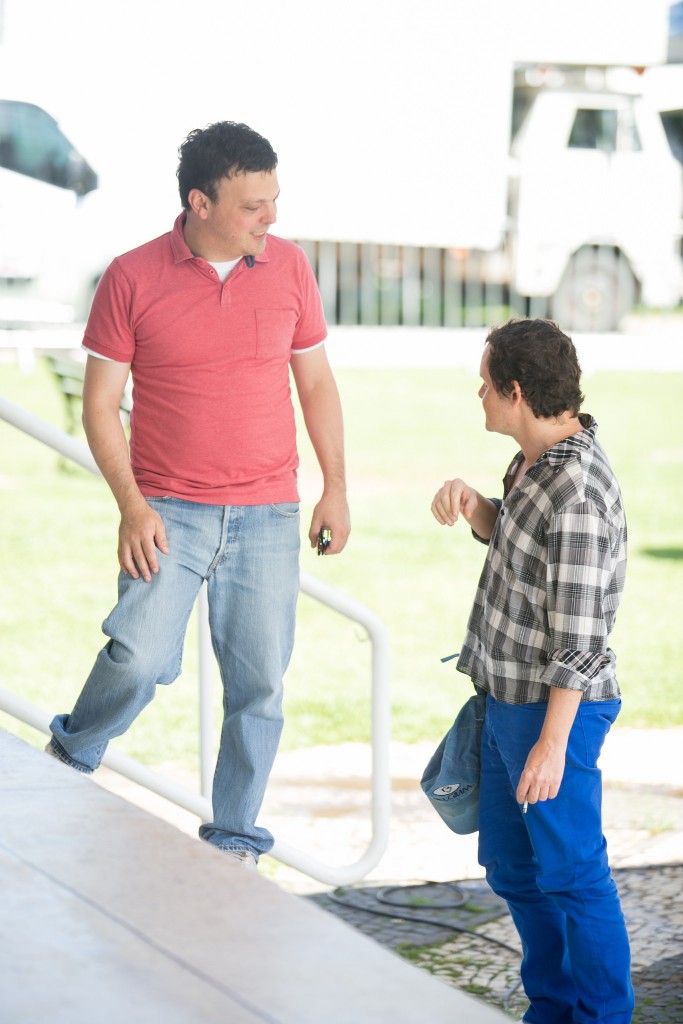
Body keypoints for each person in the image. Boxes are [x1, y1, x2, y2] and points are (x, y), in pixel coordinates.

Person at [46, 121, 350, 869]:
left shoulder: (289, 269)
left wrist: (334, 487)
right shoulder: (132, 275)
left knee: (258, 687)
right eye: (253, 205)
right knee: (138, 659)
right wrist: (131, 504)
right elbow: (99, 404)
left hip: (267, 513)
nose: (270, 219)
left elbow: (314, 381)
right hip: (167, 511)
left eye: (273, 201)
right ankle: (72, 753)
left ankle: (235, 841)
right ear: (200, 202)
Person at [431, 318, 634, 1023]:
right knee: (515, 872)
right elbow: (522, 552)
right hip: (505, 699)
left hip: (553, 712)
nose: (477, 394)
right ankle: (552, 1007)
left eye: (485, 384)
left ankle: (600, 1016)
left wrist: (551, 743)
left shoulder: (574, 489)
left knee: (573, 875)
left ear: (515, 391)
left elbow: (579, 639)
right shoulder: (533, 464)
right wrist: (476, 506)